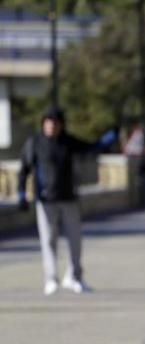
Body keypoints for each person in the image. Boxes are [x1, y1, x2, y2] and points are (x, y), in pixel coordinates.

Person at [17, 107, 116, 295]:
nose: (52, 126)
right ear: (43, 123)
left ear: (61, 125)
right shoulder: (35, 143)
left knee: (75, 240)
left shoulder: (67, 142)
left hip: (68, 198)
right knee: (48, 240)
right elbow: (24, 169)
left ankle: (74, 277)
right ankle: (51, 279)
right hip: (45, 200)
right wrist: (21, 194)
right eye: (48, 122)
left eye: (55, 122)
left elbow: (90, 149)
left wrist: (107, 140)